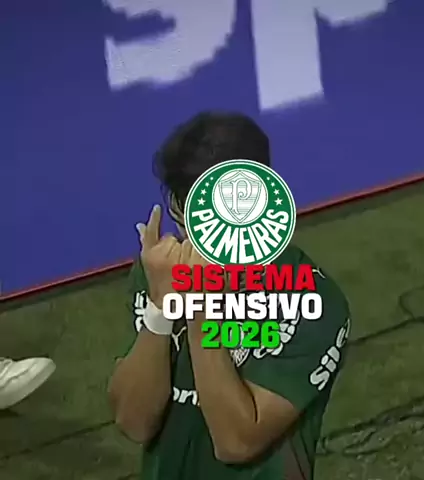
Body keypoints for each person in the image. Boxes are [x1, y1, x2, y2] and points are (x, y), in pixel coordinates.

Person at [108, 112, 351, 479]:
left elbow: (236, 441)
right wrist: (159, 309)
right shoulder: (161, 270)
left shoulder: (310, 302)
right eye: (183, 212)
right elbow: (134, 421)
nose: (194, 238)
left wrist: (199, 307)